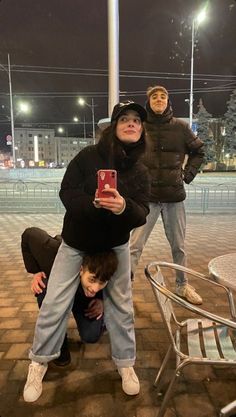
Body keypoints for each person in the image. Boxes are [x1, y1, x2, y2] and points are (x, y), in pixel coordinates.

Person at [23, 100, 150, 402]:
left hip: (116, 245)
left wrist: (123, 207)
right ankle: (38, 362)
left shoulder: (141, 170)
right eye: (125, 120)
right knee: (55, 302)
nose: (131, 124)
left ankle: (126, 364)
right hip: (76, 243)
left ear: (142, 130)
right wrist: (92, 204)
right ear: (113, 127)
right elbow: (67, 191)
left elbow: (143, 211)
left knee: (122, 306)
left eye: (136, 121)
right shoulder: (87, 156)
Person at [130, 85, 205, 305]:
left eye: (163, 96)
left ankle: (182, 286)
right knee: (134, 247)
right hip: (147, 199)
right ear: (149, 102)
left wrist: (188, 174)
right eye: (155, 97)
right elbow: (126, 152)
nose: (159, 99)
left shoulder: (181, 127)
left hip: (174, 199)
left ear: (168, 101)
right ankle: (124, 288)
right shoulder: (140, 127)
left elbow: (199, 151)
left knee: (179, 246)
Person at [21, 227, 118, 366]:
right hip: (60, 279)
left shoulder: (111, 265)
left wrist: (102, 301)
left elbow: (125, 284)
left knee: (91, 336)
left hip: (84, 299)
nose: (95, 288)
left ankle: (100, 322)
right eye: (92, 279)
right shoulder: (51, 253)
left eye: (102, 282)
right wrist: (36, 271)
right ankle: (59, 342)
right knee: (43, 286)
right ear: (81, 269)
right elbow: (29, 234)